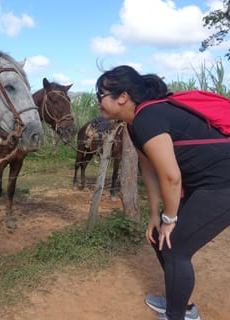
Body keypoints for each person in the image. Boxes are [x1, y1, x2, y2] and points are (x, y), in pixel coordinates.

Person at [95, 65, 230, 320]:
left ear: (122, 97)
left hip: (222, 183)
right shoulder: (135, 124)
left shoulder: (149, 117)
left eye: (100, 95)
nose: (98, 102)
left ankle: (179, 315)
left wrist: (171, 219)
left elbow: (171, 176)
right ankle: (179, 303)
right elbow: (150, 171)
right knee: (162, 238)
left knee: (175, 246)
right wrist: (157, 216)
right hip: (205, 183)